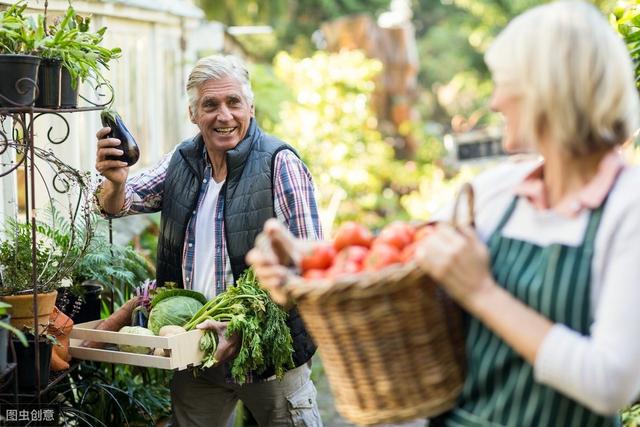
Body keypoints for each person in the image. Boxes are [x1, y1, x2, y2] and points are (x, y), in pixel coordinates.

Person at [247, 2, 640, 426]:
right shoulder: (498, 191)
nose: (495, 101)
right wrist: (307, 262)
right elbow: (393, 259)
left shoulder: (627, 208)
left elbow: (611, 383)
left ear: (550, 92)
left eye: (506, 85)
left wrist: (482, 293)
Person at [94, 54, 323, 427]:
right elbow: (119, 204)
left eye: (233, 102)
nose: (224, 115)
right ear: (193, 113)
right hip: (195, 351)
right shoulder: (182, 161)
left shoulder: (280, 164)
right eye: (210, 104)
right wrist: (116, 181)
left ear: (250, 106)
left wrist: (241, 326)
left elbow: (311, 263)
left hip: (268, 352)